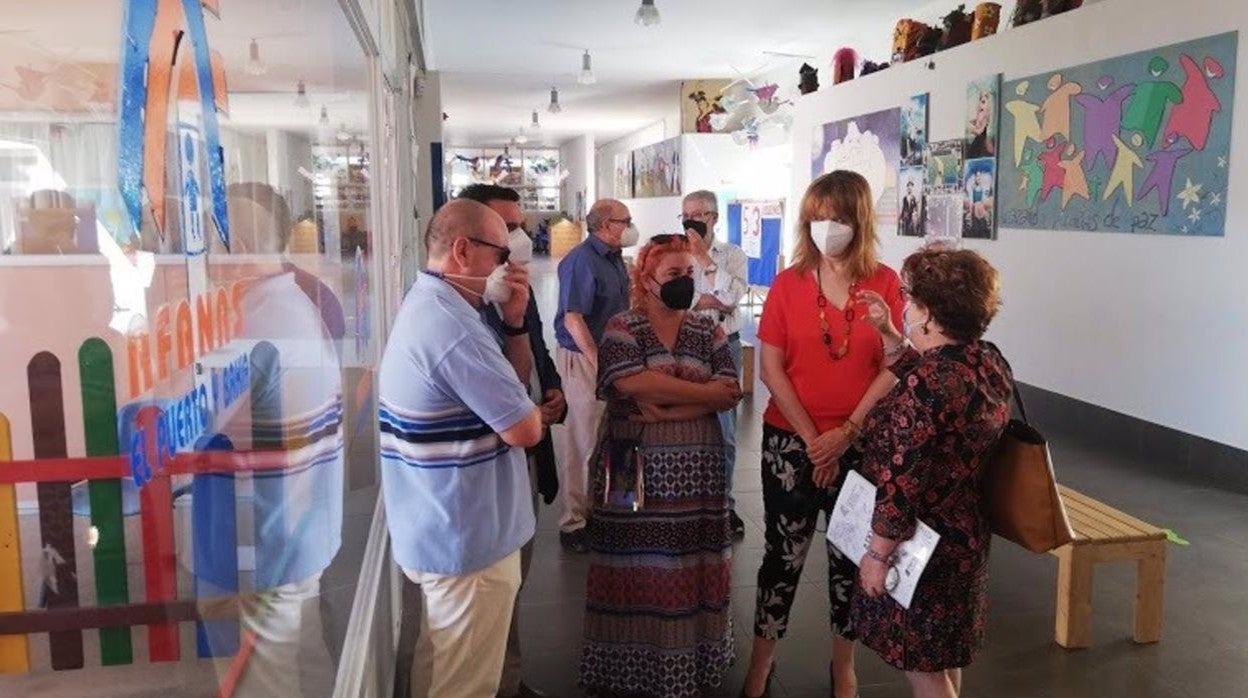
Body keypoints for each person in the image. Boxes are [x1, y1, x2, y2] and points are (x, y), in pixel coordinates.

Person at [742, 170, 908, 698]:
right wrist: (815, 437)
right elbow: (771, 367)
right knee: (782, 555)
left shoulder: (884, 281)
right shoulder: (789, 284)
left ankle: (844, 665)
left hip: (861, 442)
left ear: (858, 221)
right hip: (791, 441)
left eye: (836, 217)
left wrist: (849, 430)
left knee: (851, 559)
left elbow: (895, 362)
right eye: (816, 218)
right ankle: (760, 662)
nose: (826, 228)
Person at [379, 199, 543, 697]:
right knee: (466, 685)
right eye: (500, 255)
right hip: (466, 542)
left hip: (441, 528)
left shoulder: (439, 305)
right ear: (462, 250)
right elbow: (526, 427)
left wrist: (513, 324)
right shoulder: (451, 328)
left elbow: (508, 396)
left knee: (441, 668)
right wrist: (532, 413)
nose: (509, 268)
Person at [579, 234, 742, 698]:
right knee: (631, 563)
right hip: (631, 465)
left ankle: (691, 661)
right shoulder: (621, 326)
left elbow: (729, 390)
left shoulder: (706, 328)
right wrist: (704, 395)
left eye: (689, 274)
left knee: (692, 565)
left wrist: (670, 405)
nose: (685, 283)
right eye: (674, 275)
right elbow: (628, 382)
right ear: (647, 280)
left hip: (698, 471)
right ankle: (628, 665)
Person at [201, 181, 345, 696]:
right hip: (300, 529)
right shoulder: (296, 299)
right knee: (305, 658)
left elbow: (198, 423)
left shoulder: (255, 320)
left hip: (267, 540)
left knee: (264, 679)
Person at [852, 248, 1012, 698]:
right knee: (940, 655)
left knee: (922, 668)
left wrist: (877, 554)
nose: (903, 305)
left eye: (908, 298)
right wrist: (886, 332)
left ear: (928, 312)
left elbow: (903, 481)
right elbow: (925, 377)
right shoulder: (986, 361)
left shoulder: (930, 384)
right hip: (966, 531)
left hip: (923, 543)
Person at [457, 183, 565, 698]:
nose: (516, 239)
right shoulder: (459, 312)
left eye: (519, 226)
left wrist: (555, 390)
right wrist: (528, 413)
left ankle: (510, 679)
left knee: (512, 581)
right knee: (488, 593)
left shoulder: (512, 289)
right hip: (483, 474)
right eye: (504, 229)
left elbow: (534, 347)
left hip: (521, 455)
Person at [553, 198, 638, 552]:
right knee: (584, 440)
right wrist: (598, 363)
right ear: (605, 225)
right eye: (625, 220)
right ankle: (575, 521)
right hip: (585, 356)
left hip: (613, 354)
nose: (631, 225)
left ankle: (611, 510)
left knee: (618, 432)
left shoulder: (616, 259)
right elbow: (573, 318)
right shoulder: (581, 261)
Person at [681, 190, 750, 539]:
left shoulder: (733, 255)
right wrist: (709, 297)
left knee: (725, 431)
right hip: (684, 345)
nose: (692, 219)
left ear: (714, 217)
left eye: (699, 214)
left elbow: (733, 298)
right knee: (684, 424)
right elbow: (677, 300)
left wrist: (705, 260)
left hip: (725, 347)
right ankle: (690, 504)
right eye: (686, 214)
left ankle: (726, 505)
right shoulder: (674, 253)